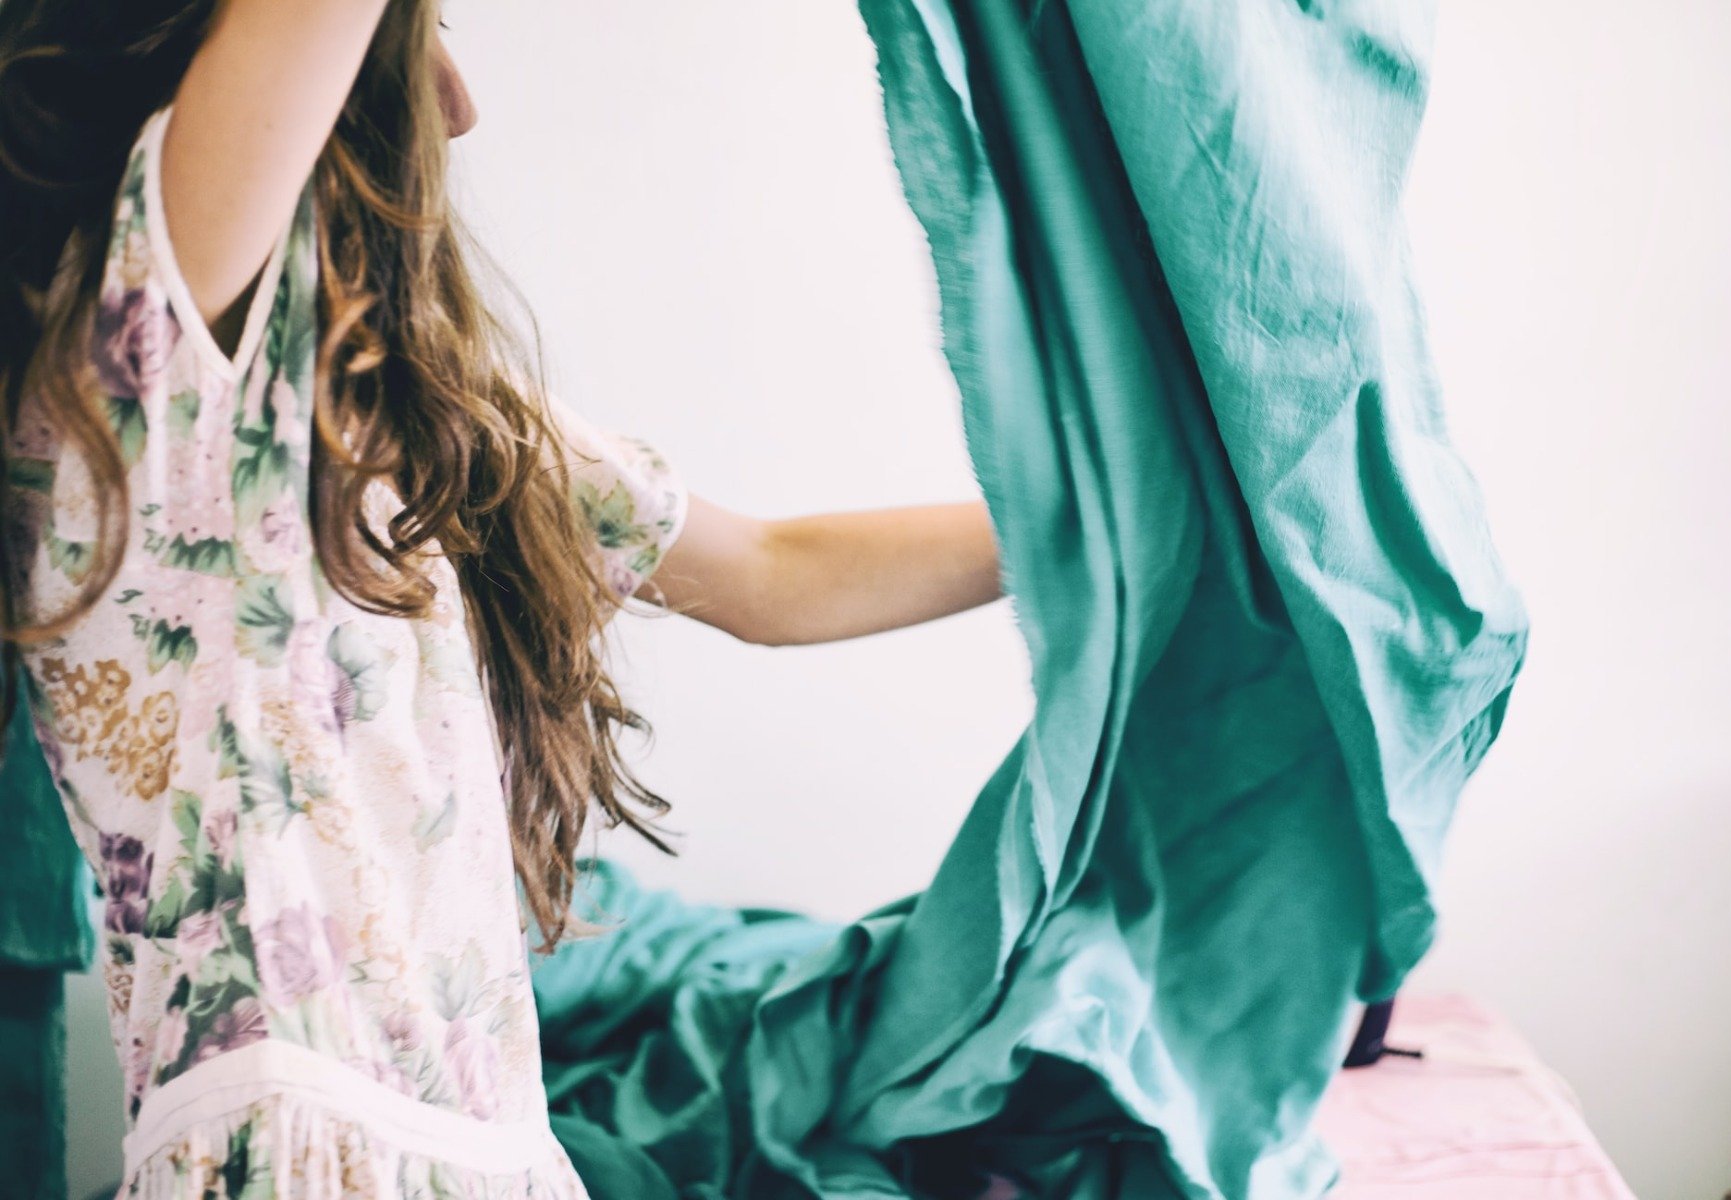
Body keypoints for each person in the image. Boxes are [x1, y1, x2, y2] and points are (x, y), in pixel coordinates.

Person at [0, 1, 1003, 1193]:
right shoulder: (142, 383)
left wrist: (1125, 529)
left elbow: (774, 576)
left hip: (492, 1155)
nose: (462, 106)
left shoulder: (402, 433)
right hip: (300, 1144)